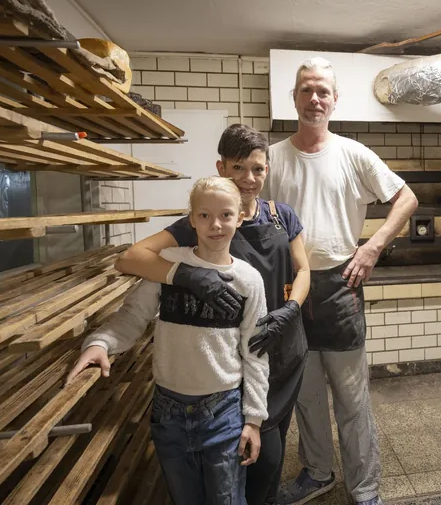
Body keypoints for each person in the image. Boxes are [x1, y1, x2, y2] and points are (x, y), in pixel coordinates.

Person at [113, 124, 311, 505]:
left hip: (283, 351)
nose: (248, 178)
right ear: (221, 167)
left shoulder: (281, 216)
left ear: (267, 170)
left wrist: (290, 310)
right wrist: (185, 275)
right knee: (253, 463)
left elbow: (303, 269)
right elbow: (130, 259)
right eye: (238, 168)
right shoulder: (210, 219)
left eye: (257, 168)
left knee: (272, 459)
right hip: (235, 364)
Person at [264, 57, 419, 505]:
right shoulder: (272, 158)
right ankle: (318, 473)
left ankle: (364, 488)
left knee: (352, 399)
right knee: (307, 396)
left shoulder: (354, 154)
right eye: (306, 89)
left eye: (323, 91)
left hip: (339, 286)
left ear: (334, 100)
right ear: (294, 98)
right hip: (291, 289)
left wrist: (373, 247)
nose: (314, 98)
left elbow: (407, 197)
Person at [67, 176, 270, 505]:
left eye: (225, 215)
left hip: (223, 412)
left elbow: (255, 352)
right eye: (204, 215)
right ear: (191, 220)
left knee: (227, 499)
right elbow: (133, 316)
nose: (215, 224)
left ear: (240, 218)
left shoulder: (249, 280)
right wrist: (100, 343)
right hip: (168, 412)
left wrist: (254, 419)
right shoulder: (168, 265)